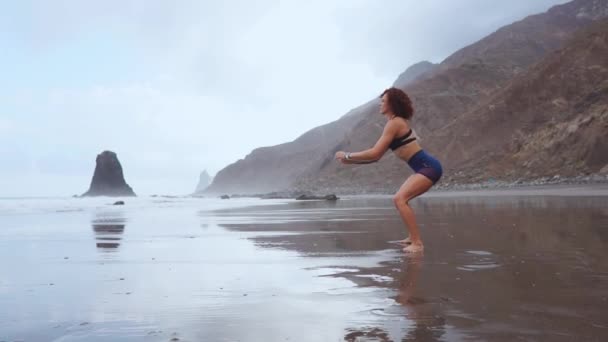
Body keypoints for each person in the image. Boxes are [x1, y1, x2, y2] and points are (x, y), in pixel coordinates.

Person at [335, 87, 442, 253]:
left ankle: (417, 243)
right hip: (424, 167)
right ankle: (411, 238)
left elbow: (374, 152)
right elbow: (376, 158)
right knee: (399, 200)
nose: (380, 104)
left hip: (428, 167)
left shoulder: (394, 123)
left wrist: (347, 155)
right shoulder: (395, 123)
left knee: (400, 199)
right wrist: (351, 162)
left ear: (392, 104)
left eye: (383, 101)